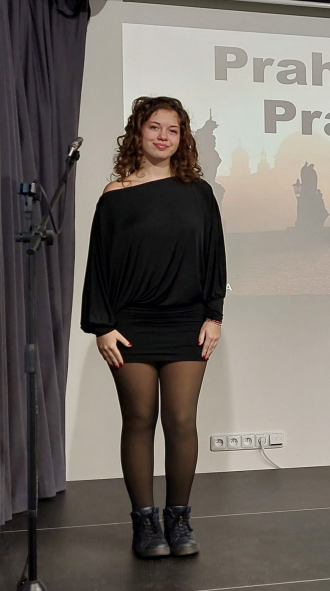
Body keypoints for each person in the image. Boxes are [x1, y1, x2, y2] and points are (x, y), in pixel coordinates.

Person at [80, 96, 227, 559]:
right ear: (137, 133)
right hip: (130, 326)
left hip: (186, 321)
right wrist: (102, 326)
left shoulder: (199, 193)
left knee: (181, 421)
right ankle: (145, 524)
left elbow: (215, 257)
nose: (163, 136)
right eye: (155, 127)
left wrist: (214, 316)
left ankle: (178, 519)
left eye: (173, 129)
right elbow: (99, 266)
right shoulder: (114, 195)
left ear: (183, 138)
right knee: (139, 420)